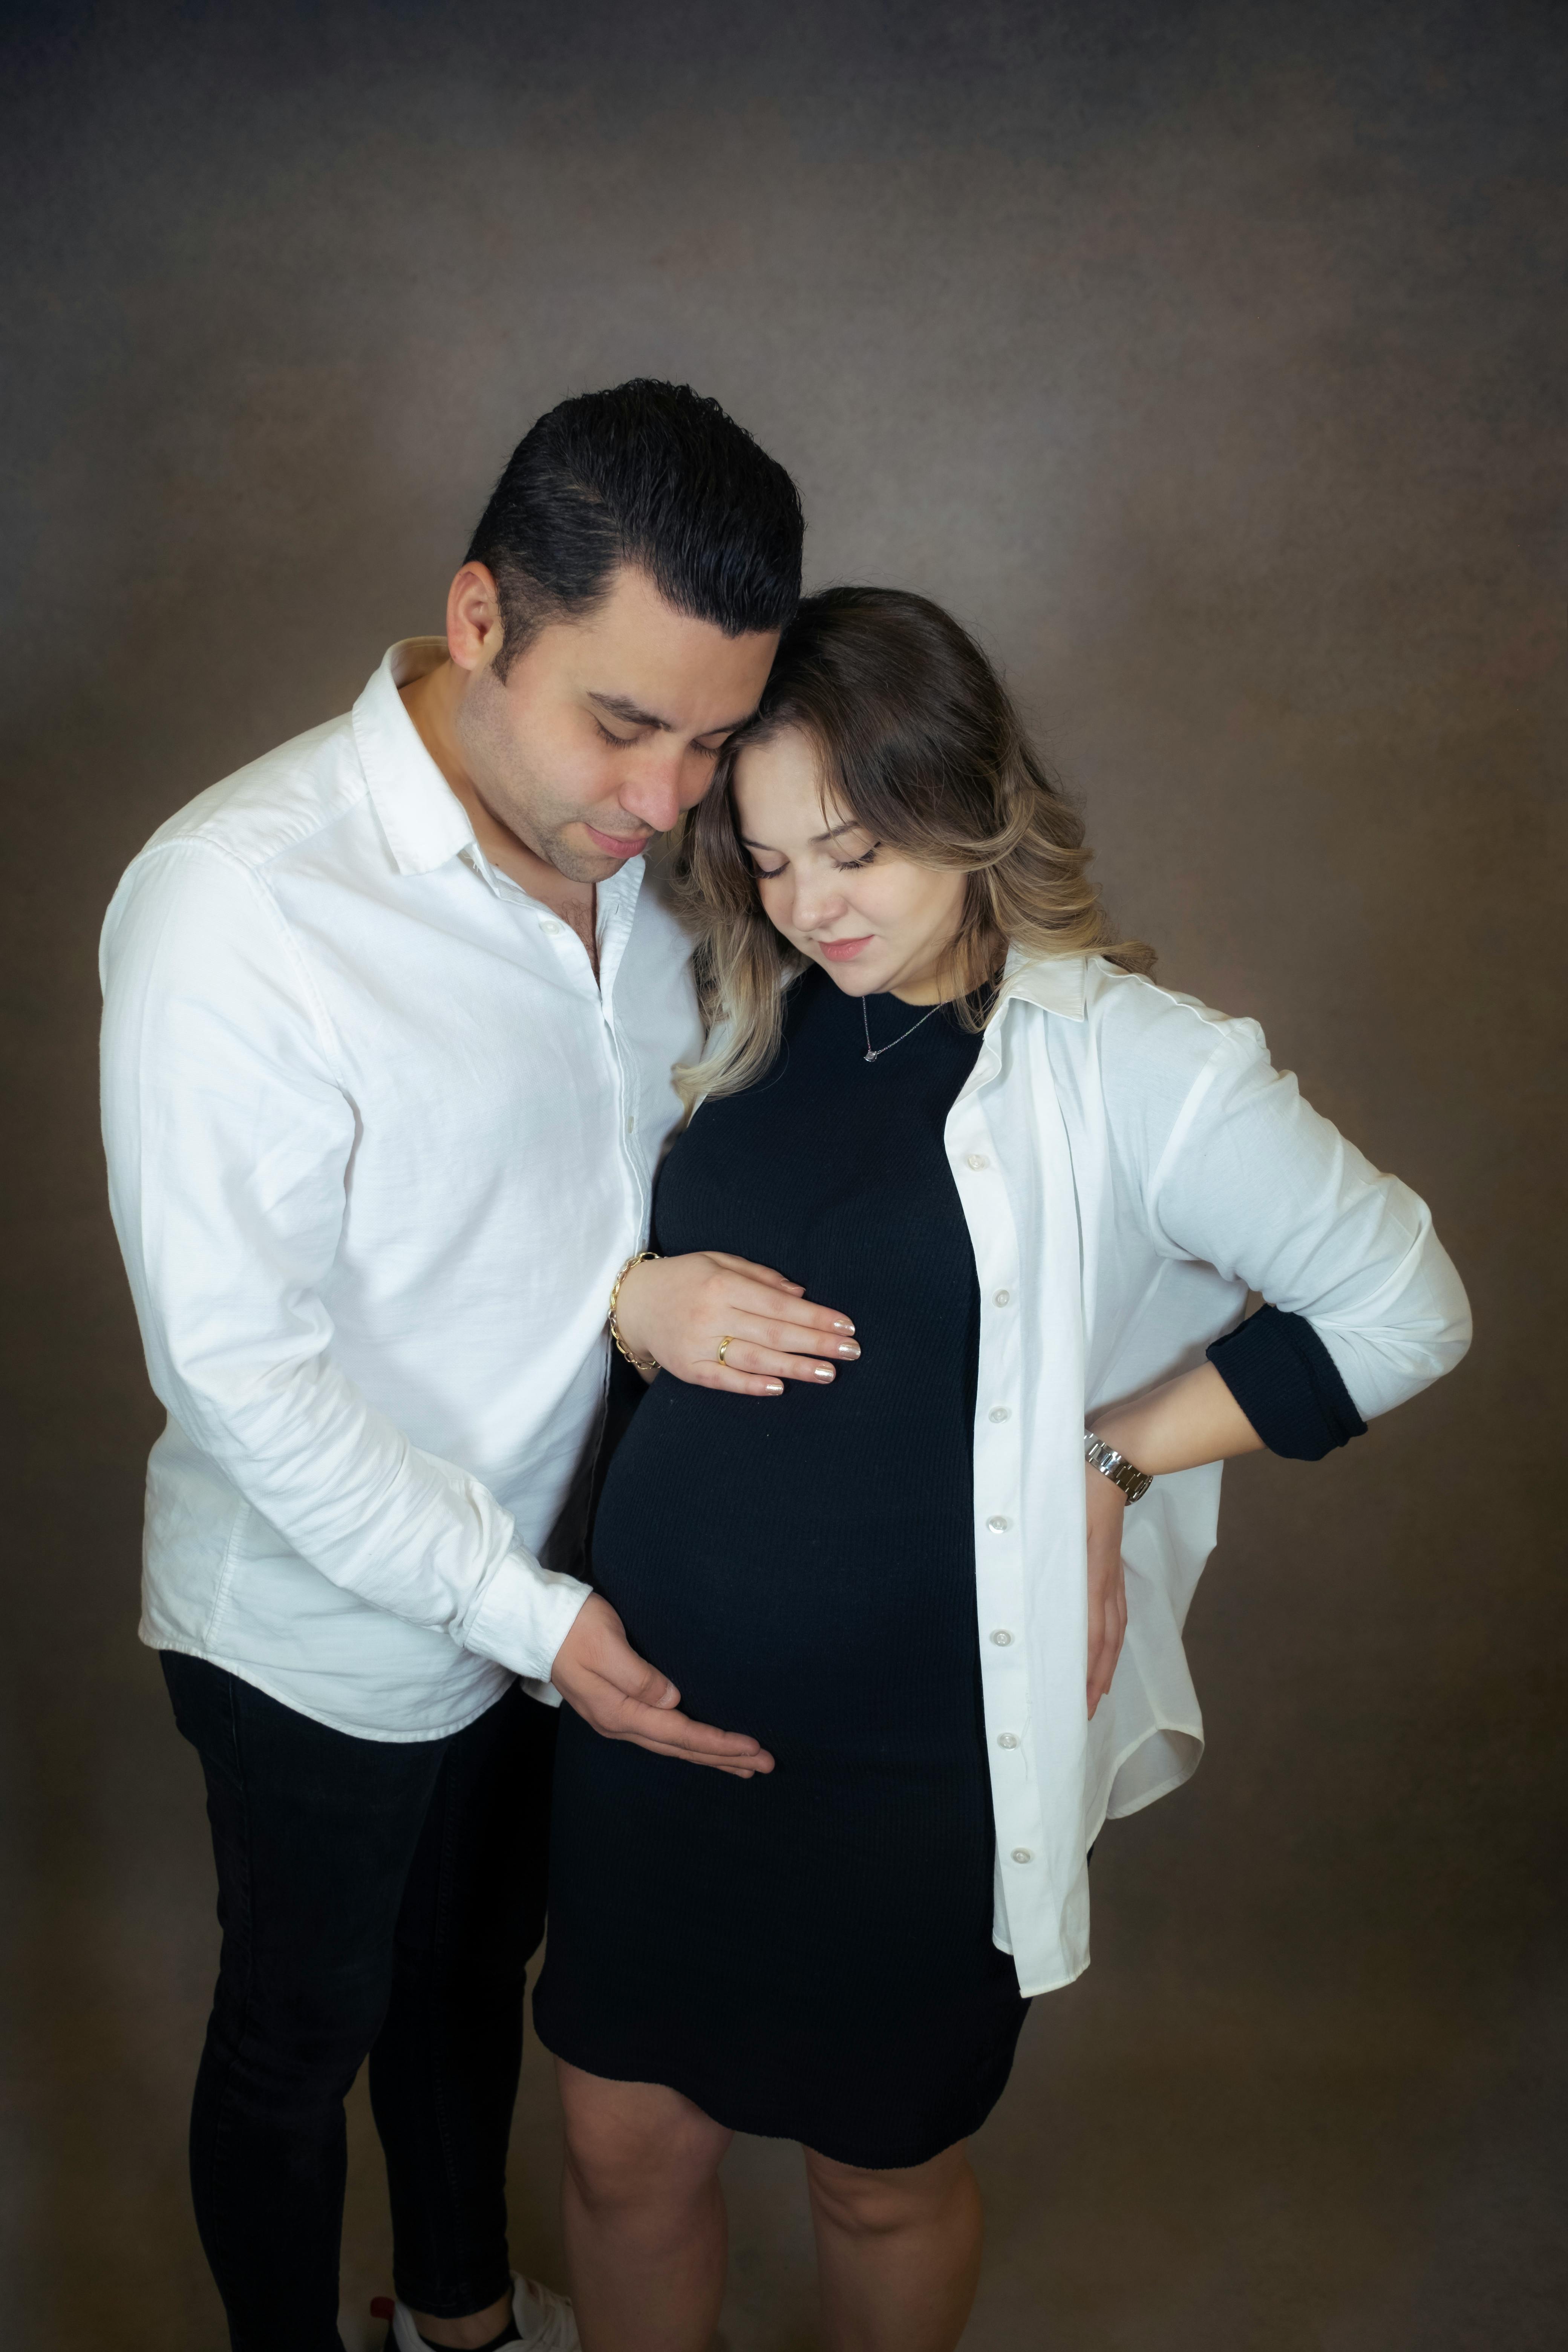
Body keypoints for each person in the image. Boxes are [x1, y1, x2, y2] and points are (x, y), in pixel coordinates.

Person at [533, 586, 1473, 2352]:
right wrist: (629, 1301)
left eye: (855, 848)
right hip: (644, 1724)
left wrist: (1109, 1471)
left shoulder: (1128, 1064)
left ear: (963, 796)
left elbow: (1401, 1309)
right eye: (771, 858)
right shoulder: (713, 1001)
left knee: (874, 2175)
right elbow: (521, 1253)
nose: (813, 905)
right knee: (613, 2142)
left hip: (911, 1765)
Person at [98, 381, 860, 2352]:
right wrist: (518, 1612)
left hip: (568, 1584)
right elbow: (239, 1378)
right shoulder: (237, 905)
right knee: (302, 2033)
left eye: (710, 741)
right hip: (322, 1621)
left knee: (469, 1984)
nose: (670, 800)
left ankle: (459, 2321)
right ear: (479, 619)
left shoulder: (668, 868)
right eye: (626, 725)